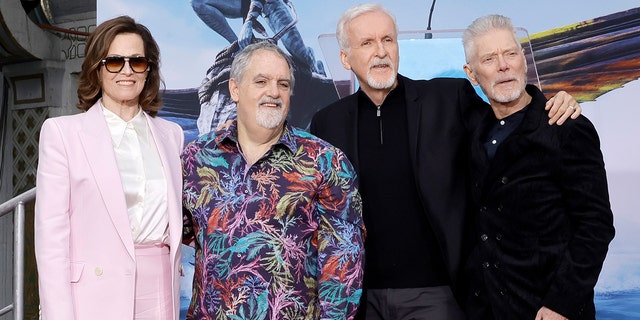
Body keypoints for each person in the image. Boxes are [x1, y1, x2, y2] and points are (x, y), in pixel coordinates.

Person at [309, 3, 581, 319]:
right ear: (345, 58)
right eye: (367, 43)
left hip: (436, 295)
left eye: (388, 40)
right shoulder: (326, 123)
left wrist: (547, 104)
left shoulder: (448, 98)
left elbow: (509, 126)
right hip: (356, 298)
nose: (381, 51)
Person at [181, 41, 365, 319]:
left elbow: (343, 262)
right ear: (235, 89)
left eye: (283, 84)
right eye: (261, 81)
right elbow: (182, 234)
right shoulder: (196, 157)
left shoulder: (326, 161)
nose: (273, 92)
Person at [459, 14, 615, 320]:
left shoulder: (565, 126)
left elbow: (596, 225)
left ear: (524, 61)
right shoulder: (473, 130)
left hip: (549, 310)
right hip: (489, 308)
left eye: (511, 53)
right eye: (489, 58)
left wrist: (562, 303)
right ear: (472, 73)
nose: (503, 65)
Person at [34, 16, 184, 320]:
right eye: (115, 61)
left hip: (160, 295)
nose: (127, 70)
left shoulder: (172, 135)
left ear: (148, 69)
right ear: (97, 68)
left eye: (137, 61)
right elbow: (52, 242)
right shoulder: (62, 133)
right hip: (94, 297)